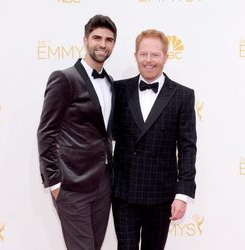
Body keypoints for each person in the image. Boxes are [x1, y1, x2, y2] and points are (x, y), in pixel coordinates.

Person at [37, 14, 117, 250]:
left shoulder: (111, 82)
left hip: (103, 183)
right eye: (97, 38)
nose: (103, 44)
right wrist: (54, 184)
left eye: (109, 39)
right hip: (72, 185)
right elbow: (46, 132)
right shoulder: (64, 79)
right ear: (85, 40)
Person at [112, 29, 197, 250]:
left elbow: (187, 147)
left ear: (166, 57)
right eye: (143, 54)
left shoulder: (183, 95)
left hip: (161, 194)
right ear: (136, 56)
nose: (149, 60)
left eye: (155, 55)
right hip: (124, 192)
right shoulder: (119, 90)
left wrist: (183, 194)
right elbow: (103, 133)